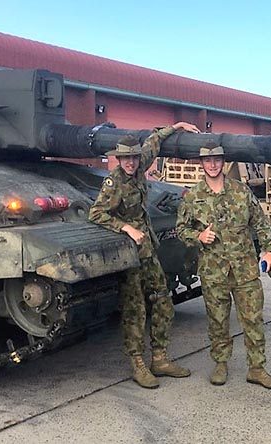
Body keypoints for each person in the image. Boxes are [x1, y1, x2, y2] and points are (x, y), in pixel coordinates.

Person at [89, 122, 200, 389]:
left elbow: (154, 142)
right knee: (135, 310)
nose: (130, 162)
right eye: (125, 158)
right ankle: (138, 363)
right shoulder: (113, 182)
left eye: (133, 157)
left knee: (162, 301)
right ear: (119, 158)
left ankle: (159, 358)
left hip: (149, 251)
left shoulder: (139, 167)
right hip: (130, 255)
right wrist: (126, 228)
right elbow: (96, 214)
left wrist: (176, 126)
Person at [176, 144, 271, 390]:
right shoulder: (193, 196)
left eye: (217, 160)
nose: (212, 165)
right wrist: (198, 236)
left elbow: (260, 222)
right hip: (213, 271)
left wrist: (269, 250)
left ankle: (256, 368)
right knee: (217, 320)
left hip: (244, 268)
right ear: (201, 164)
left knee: (253, 318)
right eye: (207, 160)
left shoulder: (240, 191)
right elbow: (181, 229)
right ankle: (221, 363)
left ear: (224, 162)